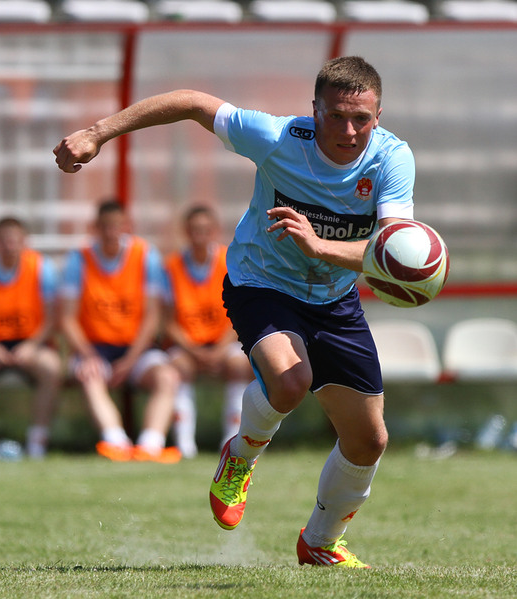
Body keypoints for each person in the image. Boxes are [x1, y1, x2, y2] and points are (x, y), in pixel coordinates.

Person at [54, 56, 415, 568]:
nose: (350, 130)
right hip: (261, 282)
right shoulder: (278, 138)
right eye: (336, 115)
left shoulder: (393, 159)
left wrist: (319, 249)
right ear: (314, 110)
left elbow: (390, 249)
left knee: (369, 440)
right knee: (290, 382)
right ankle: (239, 455)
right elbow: (191, 103)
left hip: (335, 299)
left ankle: (320, 542)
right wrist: (97, 132)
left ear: (378, 116)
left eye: (362, 118)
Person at [59, 199, 181, 463]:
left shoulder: (146, 255)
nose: (111, 232)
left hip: (135, 349)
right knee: (89, 374)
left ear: (126, 227)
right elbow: (67, 319)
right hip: (95, 348)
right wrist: (89, 355)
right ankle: (116, 442)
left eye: (117, 226)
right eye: (105, 227)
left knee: (168, 376)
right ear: (95, 228)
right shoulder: (78, 259)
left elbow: (152, 317)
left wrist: (130, 361)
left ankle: (150, 445)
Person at [0, 216, 62, 461]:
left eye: (15, 241)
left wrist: (31, 345)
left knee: (52, 366)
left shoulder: (40, 268)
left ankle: (38, 439)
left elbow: (51, 319)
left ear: (25, 242)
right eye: (4, 241)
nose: (10, 246)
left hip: (30, 343)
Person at [163, 205, 254, 458]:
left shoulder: (230, 261)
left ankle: (232, 438)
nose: (199, 235)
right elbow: (167, 320)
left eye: (205, 230)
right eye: (194, 230)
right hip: (187, 346)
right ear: (186, 233)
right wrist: (193, 350)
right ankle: (185, 442)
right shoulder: (172, 266)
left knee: (239, 364)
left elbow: (239, 314)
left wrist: (219, 348)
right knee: (179, 367)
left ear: (214, 231)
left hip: (222, 343)